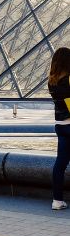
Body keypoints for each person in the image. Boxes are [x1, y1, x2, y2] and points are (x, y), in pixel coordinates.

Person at [50, 47, 70, 209]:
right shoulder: (69, 80)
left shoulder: (52, 82)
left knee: (60, 164)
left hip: (60, 126)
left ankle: (57, 200)